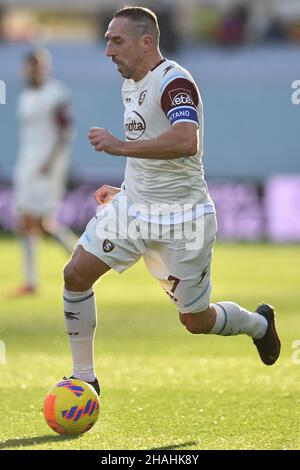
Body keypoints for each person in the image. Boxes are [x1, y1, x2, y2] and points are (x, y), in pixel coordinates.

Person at [63, 7, 280, 395]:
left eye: (117, 41)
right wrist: (125, 187)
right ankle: (84, 377)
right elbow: (151, 152)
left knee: (195, 320)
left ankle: (258, 324)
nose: (108, 51)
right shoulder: (131, 82)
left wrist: (118, 146)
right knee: (75, 275)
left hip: (184, 221)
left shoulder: (174, 82)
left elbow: (185, 141)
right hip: (132, 210)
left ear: (146, 43)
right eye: (108, 41)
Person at [12, 49, 76, 296]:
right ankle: (31, 282)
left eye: (37, 66)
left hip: (48, 164)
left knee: (39, 221)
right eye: (30, 66)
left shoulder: (56, 93)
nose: (33, 70)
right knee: (29, 221)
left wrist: (52, 161)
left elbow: (66, 131)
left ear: (45, 67)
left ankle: (83, 258)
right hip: (27, 161)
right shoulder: (26, 95)